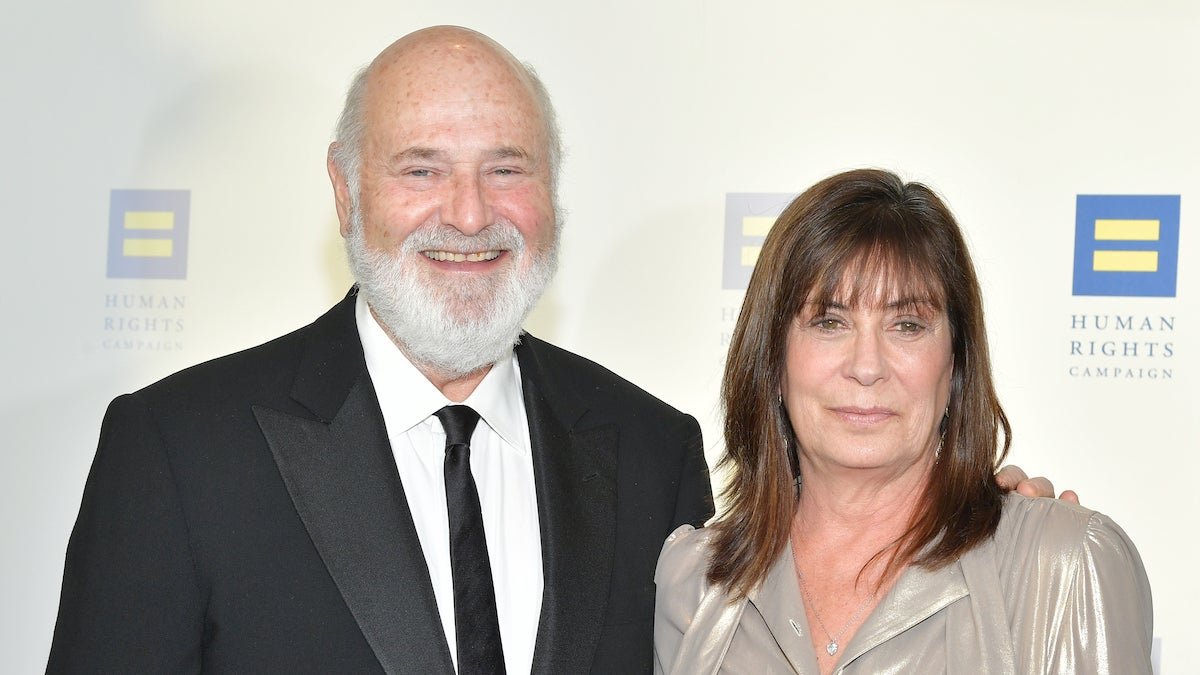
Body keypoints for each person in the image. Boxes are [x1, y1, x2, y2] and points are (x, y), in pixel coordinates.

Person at [49, 27, 1064, 675]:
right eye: (421, 169)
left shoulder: (649, 452)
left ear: (553, 194)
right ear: (346, 190)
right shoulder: (181, 450)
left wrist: (975, 524)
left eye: (507, 169)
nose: (469, 214)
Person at [653, 169, 1152, 674]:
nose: (867, 366)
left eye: (907, 325)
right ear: (773, 359)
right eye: (830, 322)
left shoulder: (1061, 568)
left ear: (955, 364)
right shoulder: (694, 584)